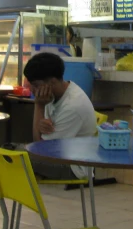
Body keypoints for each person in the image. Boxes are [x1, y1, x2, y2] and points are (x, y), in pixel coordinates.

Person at [24, 52, 95, 180]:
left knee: (15, 158)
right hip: (55, 155)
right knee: (7, 152)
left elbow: (40, 147)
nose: (32, 90)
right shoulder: (53, 95)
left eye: (35, 86)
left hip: (73, 166)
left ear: (51, 82)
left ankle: (23, 198)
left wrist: (39, 106)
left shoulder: (73, 105)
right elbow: (40, 142)